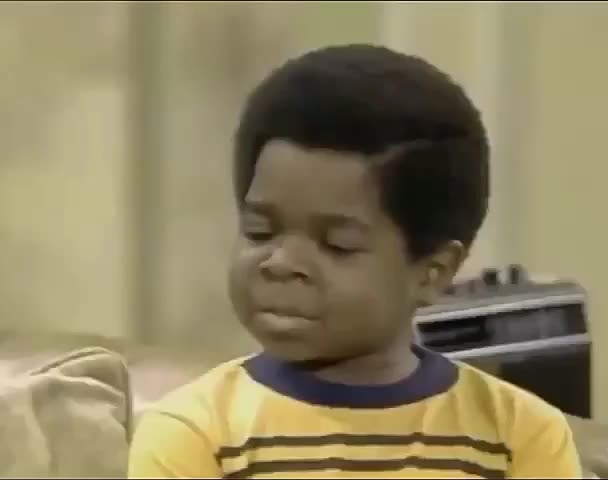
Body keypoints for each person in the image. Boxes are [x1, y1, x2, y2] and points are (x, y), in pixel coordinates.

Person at [128, 44, 582, 479]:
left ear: (433, 271)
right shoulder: (195, 431)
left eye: (337, 245)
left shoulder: (520, 436)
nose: (281, 263)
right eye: (260, 231)